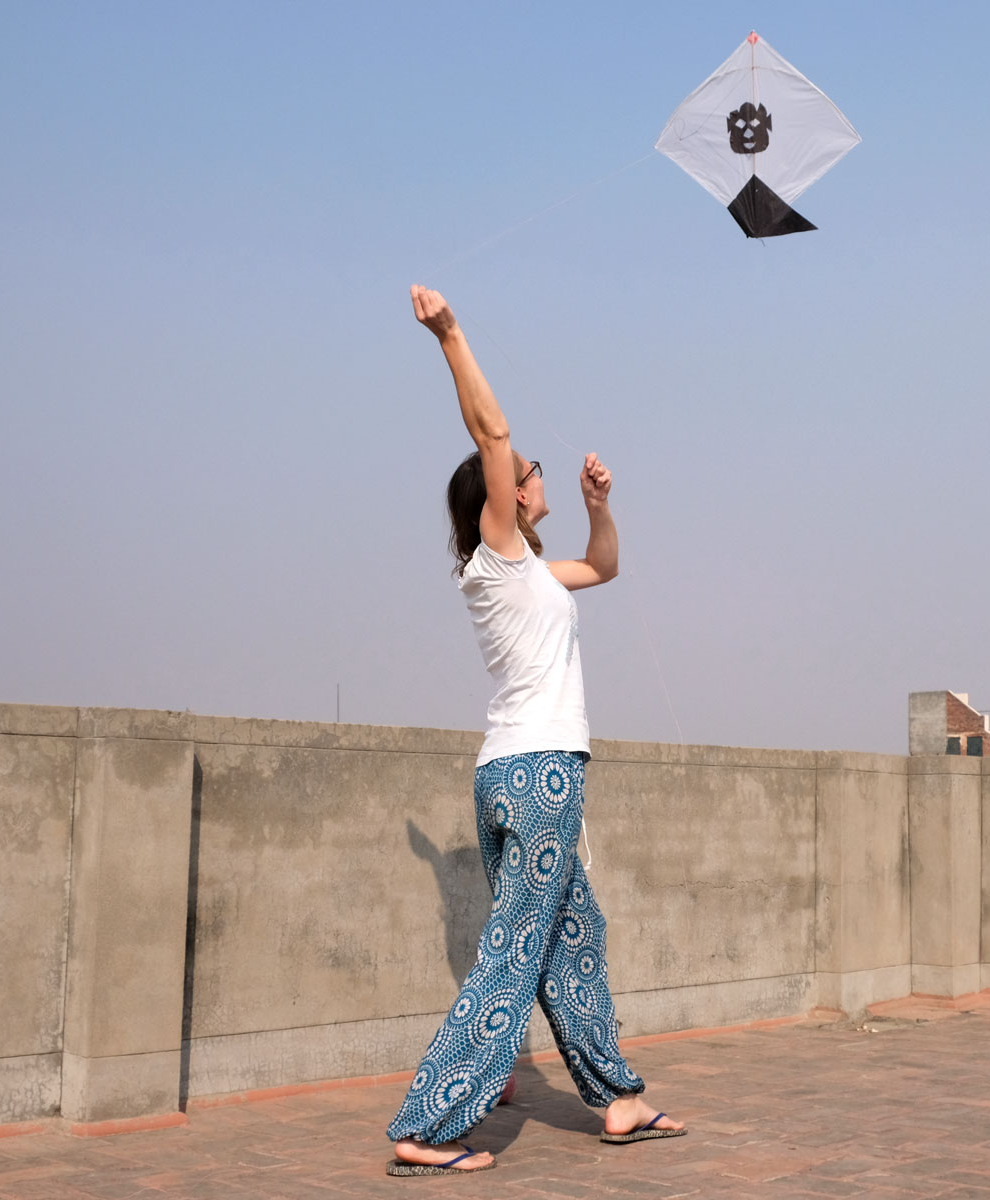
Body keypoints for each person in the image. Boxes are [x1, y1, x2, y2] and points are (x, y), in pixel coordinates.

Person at [386, 285, 687, 1177]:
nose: (538, 473)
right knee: (515, 952)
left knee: (570, 936)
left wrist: (600, 502)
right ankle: (429, 1121)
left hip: (514, 774)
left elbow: (605, 564)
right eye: (532, 473)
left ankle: (620, 1101)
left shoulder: (537, 574)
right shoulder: (501, 555)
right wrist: (450, 334)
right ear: (506, 499)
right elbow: (491, 431)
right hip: (539, 773)